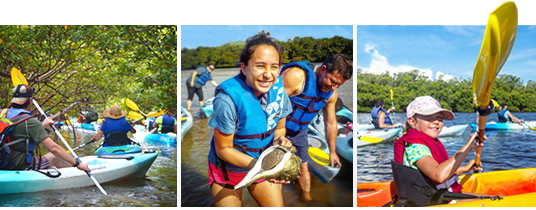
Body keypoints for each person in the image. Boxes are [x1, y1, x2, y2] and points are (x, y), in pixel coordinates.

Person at [207, 31, 293, 207]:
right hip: (228, 169)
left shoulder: (279, 92)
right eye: (260, 66)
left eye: (274, 67)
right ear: (244, 67)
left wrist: (280, 142)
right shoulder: (227, 99)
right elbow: (223, 149)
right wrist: (262, 166)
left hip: (261, 164)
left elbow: (279, 129)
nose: (268, 74)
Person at [279, 54, 352, 201]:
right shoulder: (296, 76)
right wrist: (277, 136)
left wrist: (332, 152)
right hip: (275, 128)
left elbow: (330, 123)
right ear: (323, 69)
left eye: (339, 85)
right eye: (332, 81)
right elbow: (270, 106)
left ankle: (307, 200)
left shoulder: (332, 93)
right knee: (276, 168)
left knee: (303, 166)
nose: (334, 87)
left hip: (299, 130)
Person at [393, 96, 485, 205]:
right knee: (498, 200)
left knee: (495, 199)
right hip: (435, 201)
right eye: (429, 117)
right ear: (412, 121)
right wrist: (468, 146)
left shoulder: (427, 142)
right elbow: (439, 175)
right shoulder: (415, 147)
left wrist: (464, 168)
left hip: (441, 197)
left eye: (439, 118)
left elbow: (430, 173)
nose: (436, 122)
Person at [1, 84, 90, 172]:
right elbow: (54, 148)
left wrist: (43, 126)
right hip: (19, 166)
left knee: (50, 166)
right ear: (31, 101)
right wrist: (77, 163)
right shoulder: (30, 122)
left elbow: (18, 132)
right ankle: (79, 170)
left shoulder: (2, 114)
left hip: (3, 163)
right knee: (55, 156)